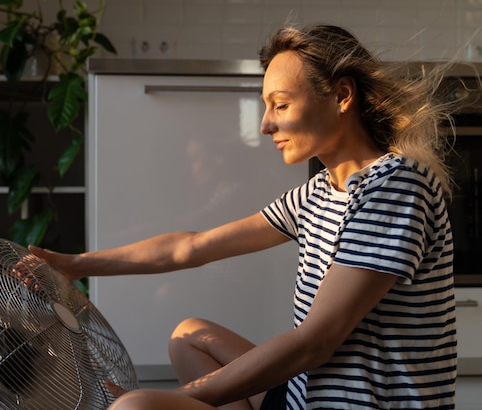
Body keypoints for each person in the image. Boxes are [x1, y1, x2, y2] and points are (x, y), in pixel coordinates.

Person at [30, 24, 458, 409]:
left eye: (281, 105)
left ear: (342, 95)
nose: (266, 125)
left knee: (135, 409)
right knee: (189, 336)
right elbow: (190, 247)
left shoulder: (395, 185)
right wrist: (74, 265)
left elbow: (316, 343)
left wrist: (173, 399)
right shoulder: (319, 193)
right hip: (304, 396)